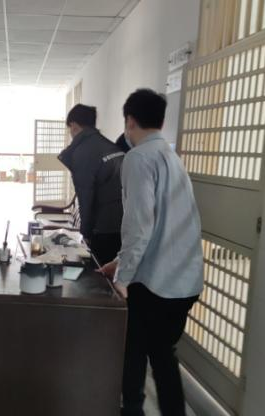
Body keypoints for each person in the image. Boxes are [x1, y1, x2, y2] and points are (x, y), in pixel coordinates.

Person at [98, 89, 204, 416]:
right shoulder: (171, 156)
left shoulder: (138, 158)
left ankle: (131, 409)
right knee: (162, 354)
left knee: (134, 349)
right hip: (185, 280)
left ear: (130, 121)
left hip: (157, 284)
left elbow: (140, 225)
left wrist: (123, 279)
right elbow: (162, 225)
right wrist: (119, 262)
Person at [58, 104, 125, 265]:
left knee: (99, 272)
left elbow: (85, 196)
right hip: (123, 223)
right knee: (113, 271)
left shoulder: (83, 152)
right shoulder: (109, 145)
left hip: (103, 228)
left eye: (70, 129)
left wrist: (85, 233)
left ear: (74, 125)